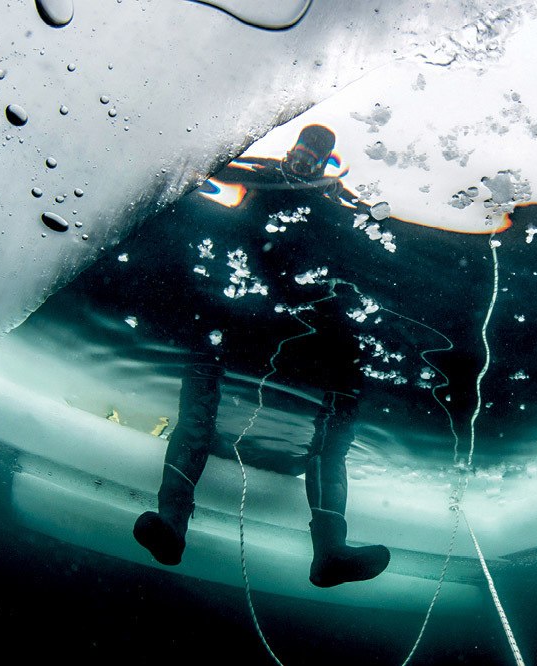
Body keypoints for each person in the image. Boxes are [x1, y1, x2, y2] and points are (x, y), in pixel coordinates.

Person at [132, 125, 391, 588]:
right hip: (239, 312)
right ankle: (171, 523)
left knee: (341, 414)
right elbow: (206, 175)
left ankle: (331, 550)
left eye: (318, 153)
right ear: (291, 149)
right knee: (196, 413)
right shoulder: (256, 174)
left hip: (297, 324)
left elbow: (360, 240)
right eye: (303, 147)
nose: (306, 158)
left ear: (328, 160)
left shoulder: (333, 199)